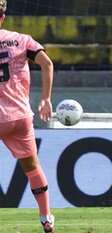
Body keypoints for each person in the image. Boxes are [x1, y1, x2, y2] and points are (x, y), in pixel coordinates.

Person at [0, 0, 55, 232]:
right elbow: (47, 63)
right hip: (20, 116)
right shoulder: (22, 40)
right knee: (33, 168)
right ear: (3, 17)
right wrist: (46, 98)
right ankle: (46, 218)